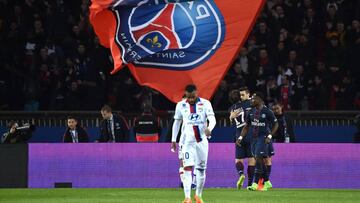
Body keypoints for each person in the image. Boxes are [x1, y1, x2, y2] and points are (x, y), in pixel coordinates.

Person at [171, 84, 216, 203]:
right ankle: (187, 197)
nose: (191, 99)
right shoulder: (180, 105)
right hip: (187, 143)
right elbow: (177, 123)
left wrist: (210, 128)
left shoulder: (206, 104)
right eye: (189, 97)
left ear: (197, 93)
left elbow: (212, 119)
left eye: (193, 97)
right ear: (186, 94)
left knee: (201, 169)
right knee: (187, 167)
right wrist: (173, 139)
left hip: (201, 142)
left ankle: (198, 195)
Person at [237, 92, 278, 191]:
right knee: (259, 160)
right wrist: (240, 138)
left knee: (258, 159)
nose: (251, 101)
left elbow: (276, 124)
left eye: (253, 99)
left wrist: (269, 135)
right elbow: (247, 126)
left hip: (263, 138)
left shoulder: (267, 111)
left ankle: (255, 184)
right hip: (253, 139)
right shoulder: (250, 112)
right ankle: (267, 182)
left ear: (259, 100)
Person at [228, 87, 255, 189]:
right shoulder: (248, 104)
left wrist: (231, 118)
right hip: (249, 133)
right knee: (252, 160)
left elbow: (231, 121)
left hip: (239, 135)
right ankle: (250, 184)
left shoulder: (231, 109)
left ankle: (241, 174)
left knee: (238, 160)